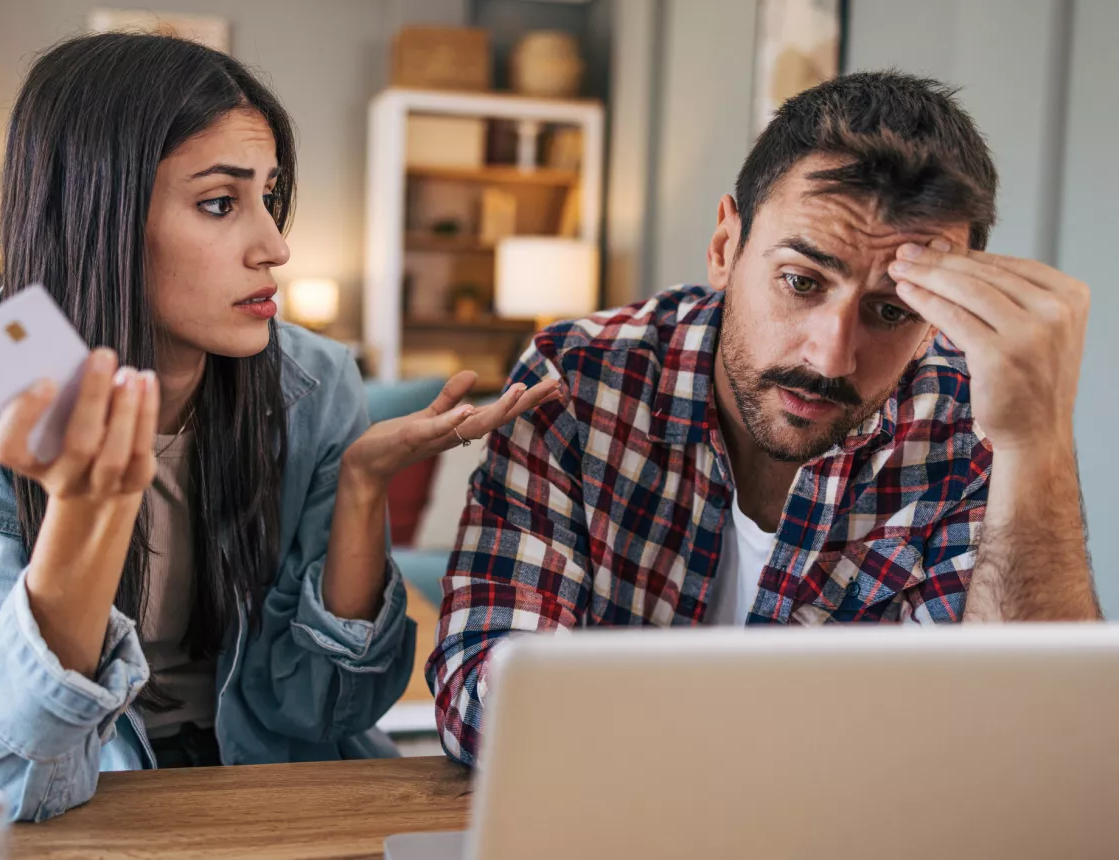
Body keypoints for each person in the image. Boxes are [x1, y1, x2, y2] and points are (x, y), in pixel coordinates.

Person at [0, 33, 556, 821]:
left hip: (272, 790)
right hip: (99, 799)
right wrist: (88, 513)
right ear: (99, 211)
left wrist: (360, 486)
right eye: (219, 203)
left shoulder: (312, 382)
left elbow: (323, 715)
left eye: (268, 198)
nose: (275, 246)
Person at [427, 71, 1100, 765]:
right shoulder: (580, 383)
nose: (831, 356)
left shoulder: (968, 427)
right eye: (801, 281)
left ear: (935, 322)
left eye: (892, 310)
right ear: (725, 248)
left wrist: (1035, 441)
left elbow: (1031, 748)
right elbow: (479, 693)